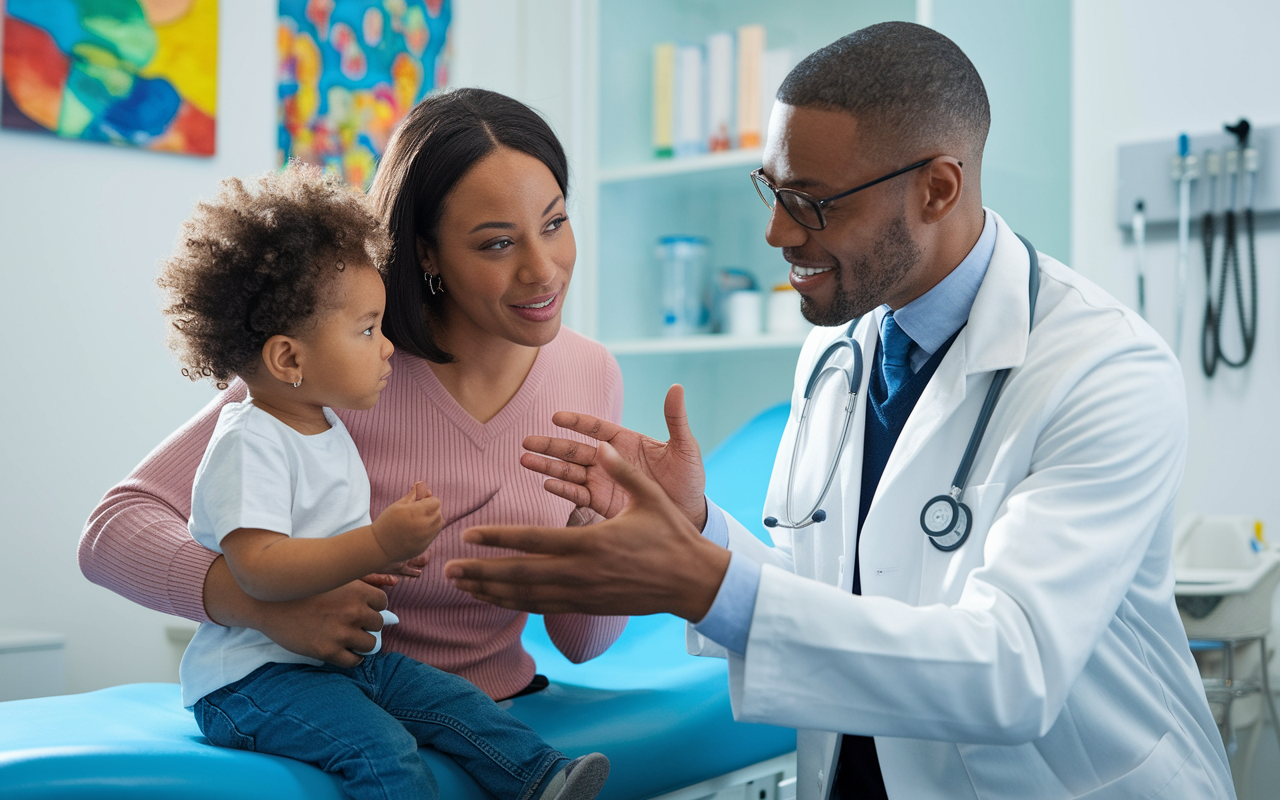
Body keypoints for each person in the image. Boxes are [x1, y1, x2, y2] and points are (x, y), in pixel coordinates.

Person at [441, 23, 1236, 800]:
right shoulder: (837, 350)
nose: (777, 231)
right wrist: (700, 526)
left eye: (812, 203)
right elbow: (834, 595)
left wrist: (707, 584)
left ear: (938, 188)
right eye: (773, 189)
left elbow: (1012, 668)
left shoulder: (1105, 370)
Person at [79, 88, 626, 705]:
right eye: (497, 243)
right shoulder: (342, 366)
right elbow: (113, 533)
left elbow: (584, 643)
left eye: (554, 224)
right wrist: (261, 608)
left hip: (501, 714)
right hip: (349, 715)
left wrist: (602, 544)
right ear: (426, 254)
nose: (543, 269)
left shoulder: (591, 372)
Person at [158, 163, 609, 800]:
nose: (388, 345)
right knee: (384, 750)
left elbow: (320, 546)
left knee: (451, 702)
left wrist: (390, 557)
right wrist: (376, 544)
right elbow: (258, 567)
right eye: (369, 330)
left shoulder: (323, 422)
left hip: (340, 664)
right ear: (288, 358)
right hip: (253, 681)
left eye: (555, 222)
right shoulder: (250, 434)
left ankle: (541, 781)